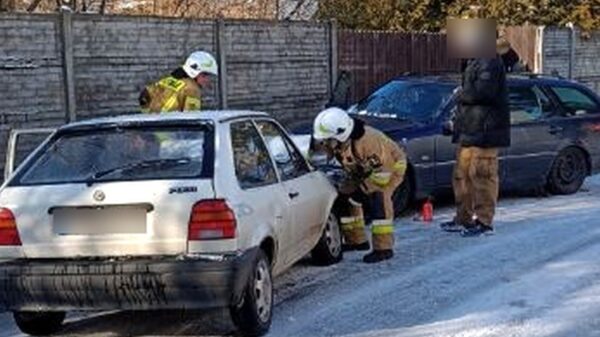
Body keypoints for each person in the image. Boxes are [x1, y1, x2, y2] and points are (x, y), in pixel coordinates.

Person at [312, 107, 407, 263]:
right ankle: (357, 241)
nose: (326, 143)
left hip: (390, 169)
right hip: (362, 170)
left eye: (328, 139)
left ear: (340, 135)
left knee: (379, 201)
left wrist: (365, 191)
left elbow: (382, 175)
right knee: (346, 198)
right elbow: (322, 156)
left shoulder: (368, 141)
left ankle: (383, 248)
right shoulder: (341, 141)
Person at [440, 52, 511, 237]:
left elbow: (483, 92)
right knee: (461, 176)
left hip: (486, 131)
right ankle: (463, 218)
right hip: (469, 130)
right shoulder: (473, 61)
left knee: (483, 177)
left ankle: (484, 222)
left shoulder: (490, 60)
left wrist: (460, 94)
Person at [139, 51, 218, 113]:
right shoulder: (192, 89)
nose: (207, 79)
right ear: (194, 72)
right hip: (172, 132)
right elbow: (192, 119)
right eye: (204, 75)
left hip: (152, 130)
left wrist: (149, 115)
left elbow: (143, 96)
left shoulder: (167, 80)